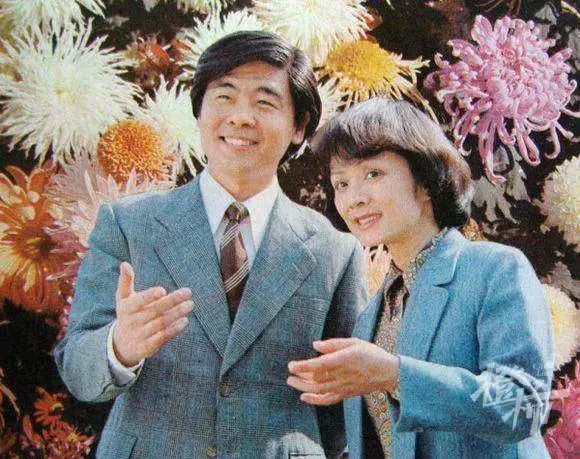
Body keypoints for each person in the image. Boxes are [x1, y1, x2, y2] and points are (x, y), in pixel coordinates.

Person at [54, 31, 368, 458]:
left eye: (264, 102)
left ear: (299, 126)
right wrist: (119, 347)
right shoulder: (128, 225)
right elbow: (76, 369)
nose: (241, 117)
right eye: (224, 96)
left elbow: (345, 409)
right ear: (199, 111)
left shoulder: (335, 252)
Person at [287, 99, 554, 458]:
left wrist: (394, 375)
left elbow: (523, 406)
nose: (355, 199)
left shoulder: (495, 269)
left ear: (426, 179)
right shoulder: (370, 316)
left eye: (373, 174)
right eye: (342, 183)